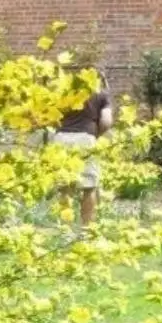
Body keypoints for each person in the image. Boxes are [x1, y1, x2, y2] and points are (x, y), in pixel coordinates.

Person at [51, 72, 113, 226]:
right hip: (85, 138)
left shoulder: (64, 92)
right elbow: (106, 121)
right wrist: (96, 135)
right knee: (89, 186)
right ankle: (87, 230)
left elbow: (50, 116)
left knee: (65, 187)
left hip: (61, 138)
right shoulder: (101, 95)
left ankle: (65, 230)